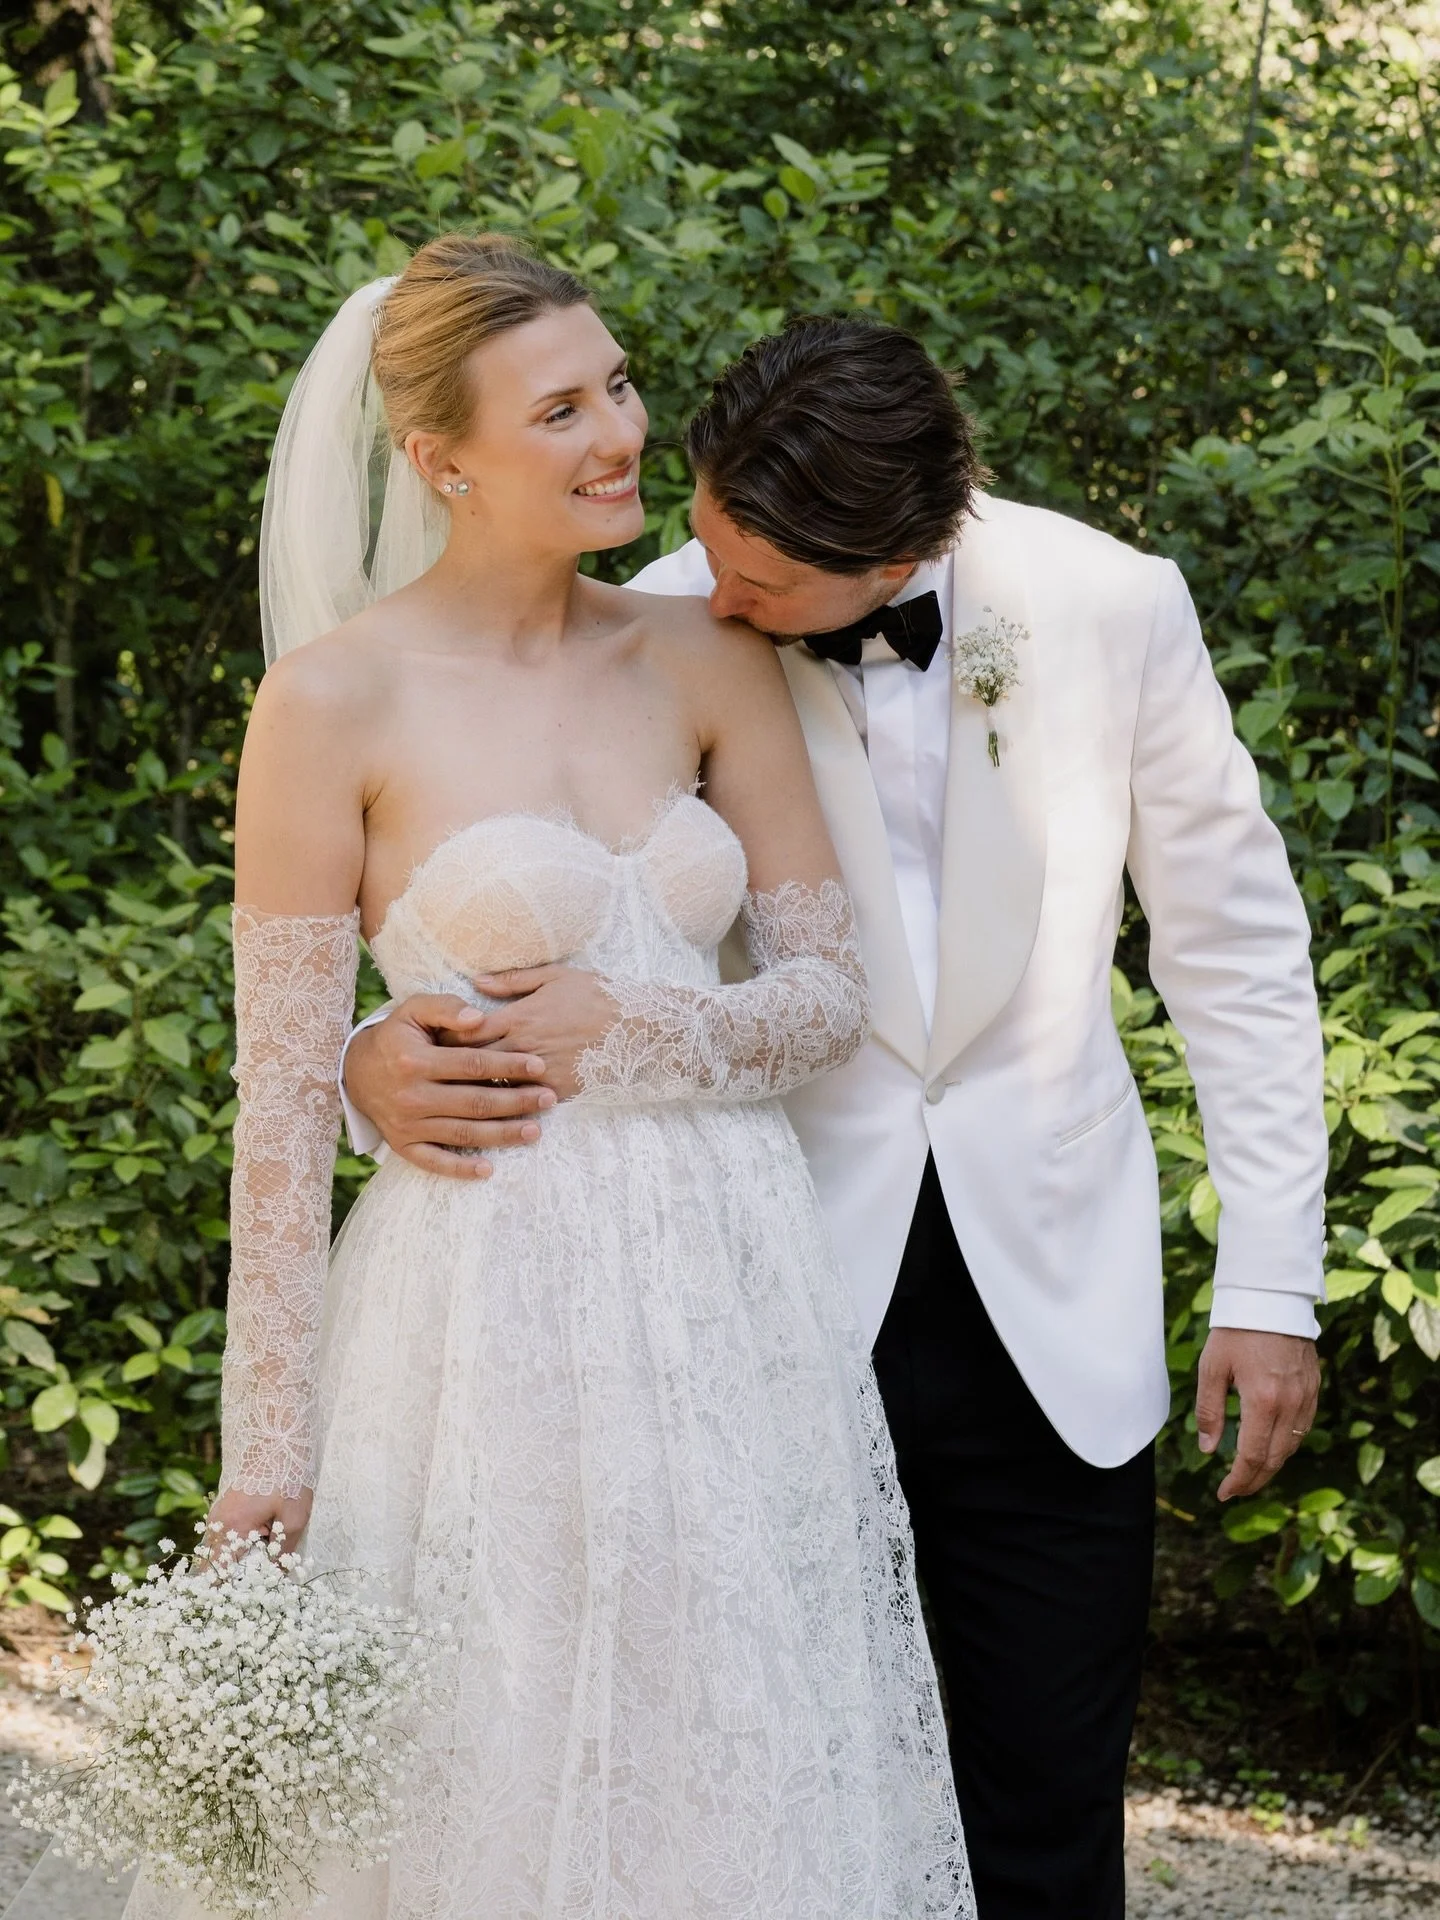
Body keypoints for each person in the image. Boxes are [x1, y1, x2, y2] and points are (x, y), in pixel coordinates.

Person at [344, 314, 1329, 1918]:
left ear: (905, 550)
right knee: (759, 1809)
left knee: (1045, 1804)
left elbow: (1235, 948)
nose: (719, 594)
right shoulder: (652, 618)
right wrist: (369, 1051)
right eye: (713, 543)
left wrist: (1271, 1285)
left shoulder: (1112, 605)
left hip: (1052, 1308)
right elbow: (473, 889)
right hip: (745, 1304)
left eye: (765, 587)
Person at [125, 242, 973, 1919]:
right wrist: (263, 1456)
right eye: (563, 408)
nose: (620, 435)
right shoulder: (328, 703)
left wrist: (638, 1031)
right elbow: (283, 1111)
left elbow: (822, 999)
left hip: (733, 1307)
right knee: (479, 1771)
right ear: (442, 459)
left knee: (721, 1761)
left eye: (621, 385)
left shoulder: (705, 657)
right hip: (477, 1313)